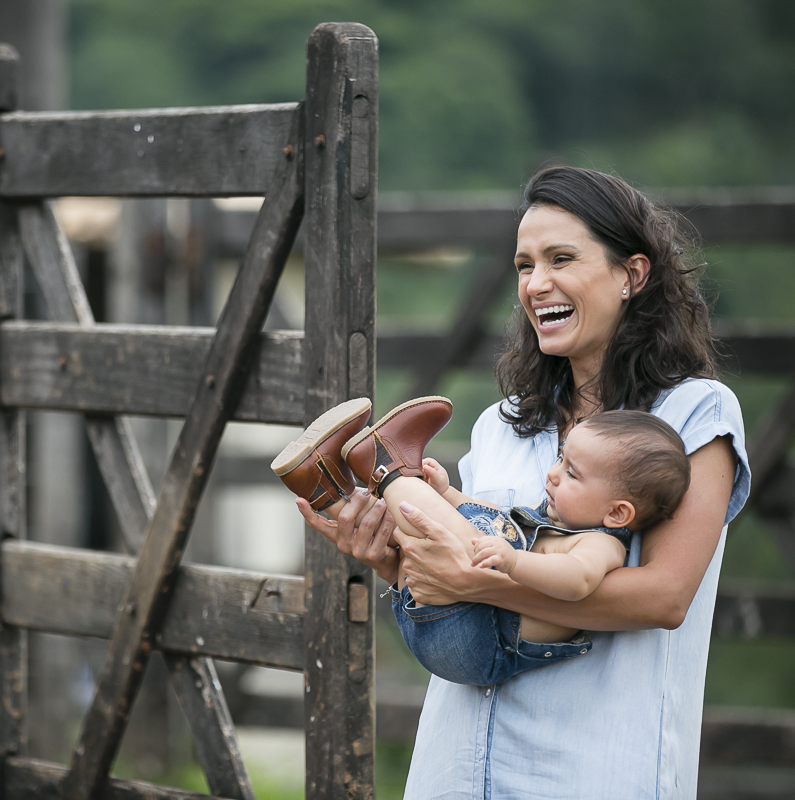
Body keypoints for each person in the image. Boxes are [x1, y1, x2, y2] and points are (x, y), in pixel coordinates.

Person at [295, 165, 750, 799]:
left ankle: (388, 464)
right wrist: (392, 563)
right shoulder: (501, 425)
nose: (537, 284)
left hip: (590, 771)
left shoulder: (694, 413)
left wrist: (478, 580)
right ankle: (374, 474)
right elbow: (456, 574)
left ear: (632, 274)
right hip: (455, 769)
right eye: (523, 265)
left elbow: (664, 598)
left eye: (561, 258)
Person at [276, 399, 692, 686]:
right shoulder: (550, 519)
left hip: (478, 639)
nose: (552, 473)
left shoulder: (603, 546)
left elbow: (576, 582)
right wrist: (451, 496)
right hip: (446, 616)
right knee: (468, 528)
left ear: (617, 514)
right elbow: (497, 517)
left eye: (572, 473)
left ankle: (386, 468)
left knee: (474, 541)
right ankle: (323, 486)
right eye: (561, 458)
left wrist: (512, 563)